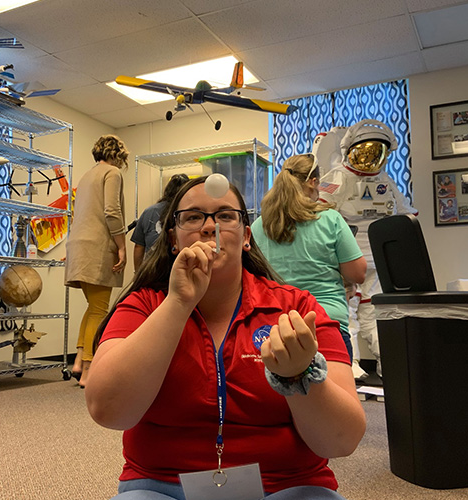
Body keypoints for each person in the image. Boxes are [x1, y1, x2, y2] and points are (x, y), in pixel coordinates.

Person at [85, 176, 366, 500]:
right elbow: (107, 409)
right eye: (192, 217)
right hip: (162, 488)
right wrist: (177, 304)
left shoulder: (297, 308)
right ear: (173, 238)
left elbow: (342, 440)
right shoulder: (144, 305)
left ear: (246, 236)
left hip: (286, 486)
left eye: (224, 215)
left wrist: (299, 375)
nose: (209, 227)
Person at [316, 119, 417, 379]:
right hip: (345, 259)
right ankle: (349, 363)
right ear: (349, 150)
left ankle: (387, 363)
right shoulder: (336, 178)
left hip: (378, 258)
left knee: (375, 310)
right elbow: (318, 215)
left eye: (376, 152)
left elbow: (408, 215)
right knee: (346, 310)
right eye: (365, 151)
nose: (370, 158)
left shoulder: (386, 182)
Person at [251, 154, 366, 363]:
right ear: (313, 182)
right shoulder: (330, 218)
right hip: (326, 323)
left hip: (279, 329)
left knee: (286, 395)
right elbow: (358, 273)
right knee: (335, 394)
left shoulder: (259, 225)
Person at [65, 134, 129, 388]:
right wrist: (122, 245)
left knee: (93, 307)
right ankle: (89, 369)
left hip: (78, 245)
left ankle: (79, 360)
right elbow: (112, 211)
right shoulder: (112, 173)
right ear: (116, 155)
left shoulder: (85, 176)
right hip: (98, 246)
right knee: (100, 309)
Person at [131, 173, 189, 271]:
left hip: (153, 271)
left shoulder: (149, 212)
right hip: (182, 269)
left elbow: (139, 246)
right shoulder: (189, 212)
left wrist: (138, 274)